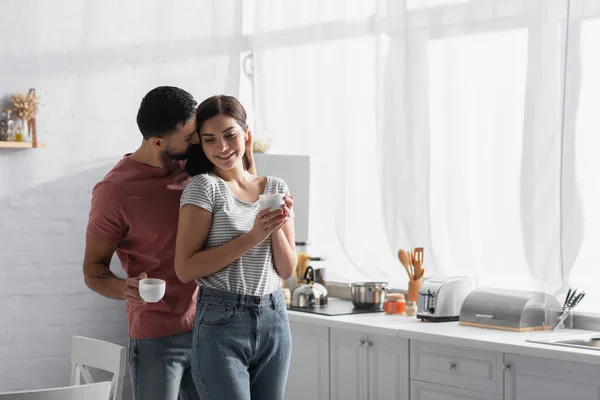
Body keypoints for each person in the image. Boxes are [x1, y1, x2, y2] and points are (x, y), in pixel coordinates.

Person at [83, 86, 256, 400]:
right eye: (189, 137)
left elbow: (241, 192)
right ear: (158, 142)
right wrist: (124, 288)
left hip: (215, 327)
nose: (197, 142)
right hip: (159, 337)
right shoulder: (114, 192)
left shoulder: (197, 166)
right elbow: (92, 270)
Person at [174, 95, 296, 400]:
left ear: (246, 135)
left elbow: (287, 269)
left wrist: (276, 226)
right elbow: (185, 268)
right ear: (200, 144)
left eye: (229, 135)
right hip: (221, 320)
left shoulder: (276, 187)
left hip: (273, 317)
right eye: (210, 139)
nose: (222, 147)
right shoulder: (204, 187)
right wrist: (253, 236)